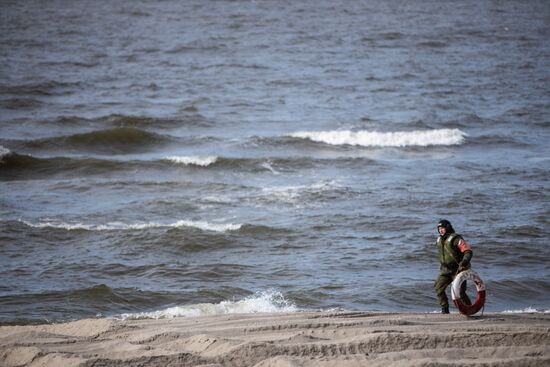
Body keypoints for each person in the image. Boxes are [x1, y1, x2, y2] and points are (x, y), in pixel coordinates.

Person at [434, 219, 473, 314]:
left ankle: (470, 310)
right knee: (438, 288)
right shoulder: (439, 239)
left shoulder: (456, 239)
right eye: (439, 228)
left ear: (447, 228)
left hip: (458, 270)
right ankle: (445, 310)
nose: (440, 230)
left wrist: (464, 262)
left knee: (460, 293)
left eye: (442, 228)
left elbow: (468, 251)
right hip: (445, 270)